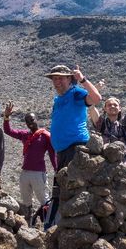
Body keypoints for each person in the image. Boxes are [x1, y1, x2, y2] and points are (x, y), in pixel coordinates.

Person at [44, 64, 102, 227]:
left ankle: (61, 225)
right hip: (62, 151)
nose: (57, 82)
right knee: (60, 188)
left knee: (70, 188)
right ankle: (54, 224)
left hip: (75, 148)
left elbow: (96, 98)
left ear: (70, 79)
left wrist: (82, 79)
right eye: (54, 79)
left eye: (60, 78)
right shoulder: (58, 99)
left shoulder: (76, 93)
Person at [3, 101, 56, 223]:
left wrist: (56, 169)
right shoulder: (24, 135)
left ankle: (48, 224)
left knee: (44, 200)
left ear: (36, 119)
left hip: (39, 173)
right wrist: (6, 116)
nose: (30, 123)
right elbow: (8, 131)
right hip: (25, 172)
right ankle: (28, 224)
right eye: (27, 121)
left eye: (32, 120)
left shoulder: (46, 136)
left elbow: (53, 155)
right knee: (26, 202)